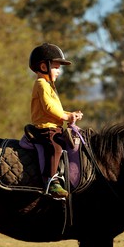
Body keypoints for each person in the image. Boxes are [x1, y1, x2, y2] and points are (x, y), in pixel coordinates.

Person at [28, 43, 83, 199]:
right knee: (55, 148)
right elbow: (48, 107)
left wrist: (70, 114)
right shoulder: (41, 84)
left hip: (54, 125)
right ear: (44, 66)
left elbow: (55, 108)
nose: (59, 71)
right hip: (46, 127)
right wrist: (66, 117)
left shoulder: (48, 85)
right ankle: (51, 182)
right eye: (56, 67)